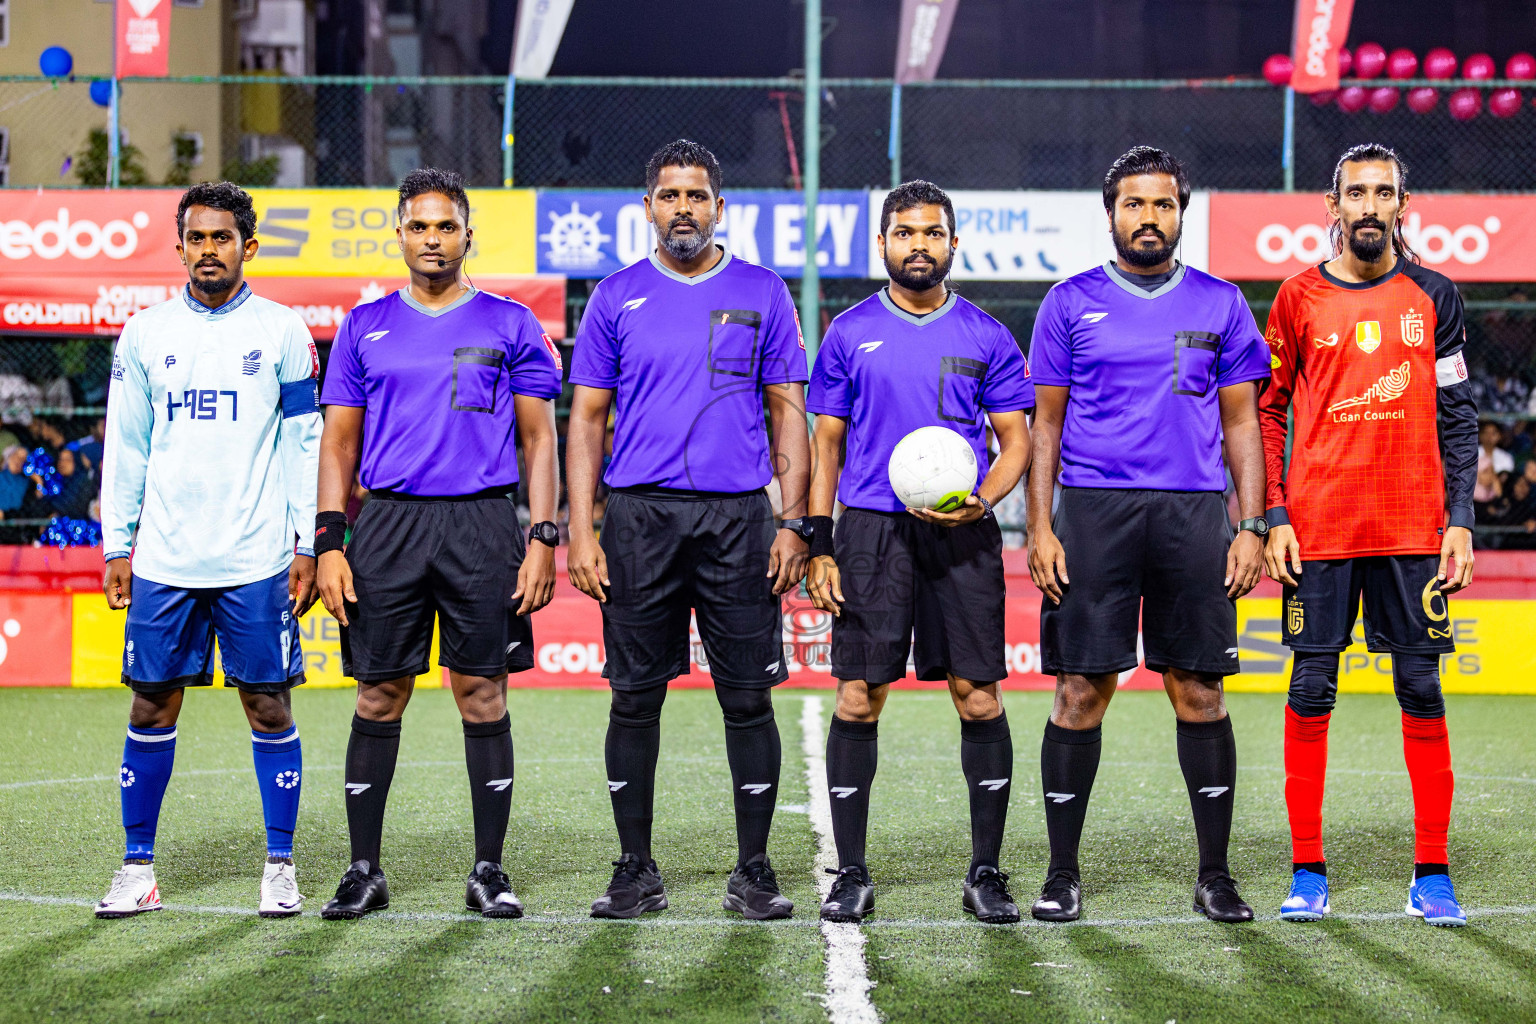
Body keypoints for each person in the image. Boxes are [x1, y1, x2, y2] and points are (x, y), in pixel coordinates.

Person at [565, 140, 811, 921]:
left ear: (719, 207)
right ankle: (635, 869)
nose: (683, 209)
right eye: (669, 195)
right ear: (648, 207)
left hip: (739, 518)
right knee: (634, 699)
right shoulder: (614, 298)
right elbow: (586, 422)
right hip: (638, 517)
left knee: (747, 697)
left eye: (696, 196)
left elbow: (790, 414)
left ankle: (755, 870)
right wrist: (582, 528)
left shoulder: (764, 291)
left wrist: (795, 520)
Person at [1026, 146, 1271, 924]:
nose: (1148, 218)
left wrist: (1252, 524)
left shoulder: (1222, 302)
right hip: (1093, 512)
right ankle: (1063, 874)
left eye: (1162, 205)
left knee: (1199, 691)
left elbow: (1242, 423)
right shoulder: (1069, 304)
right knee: (1078, 690)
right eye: (1134, 204)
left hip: (1194, 513)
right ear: (1111, 215)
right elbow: (1045, 429)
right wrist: (1039, 525)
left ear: (1180, 214)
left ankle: (1216, 875)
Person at [314, 168, 562, 920]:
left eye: (445, 226)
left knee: (481, 694)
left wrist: (544, 534)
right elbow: (338, 444)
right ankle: (364, 870)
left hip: (482, 524)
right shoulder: (365, 325)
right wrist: (329, 539)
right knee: (378, 693)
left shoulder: (510, 322)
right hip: (387, 525)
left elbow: (538, 438)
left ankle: (488, 870)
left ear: (467, 235)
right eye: (418, 226)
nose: (432, 239)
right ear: (400, 233)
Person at [1261, 143, 1479, 927]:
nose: (1369, 206)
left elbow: (1457, 415)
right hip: (1318, 532)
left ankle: (1433, 873)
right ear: (1332, 205)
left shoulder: (1435, 297)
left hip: (1414, 530)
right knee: (1311, 689)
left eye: (1383, 193)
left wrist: (1460, 520)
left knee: (1420, 689)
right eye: (1356, 192)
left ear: (1401, 206)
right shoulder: (1296, 299)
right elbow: (1268, 409)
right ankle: (1308, 869)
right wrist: (1275, 514)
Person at [805, 180, 1035, 924]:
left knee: (977, 695)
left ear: (953, 244)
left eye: (932, 234)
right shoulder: (848, 332)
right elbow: (827, 443)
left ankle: (986, 872)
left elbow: (1017, 440)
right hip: (870, 532)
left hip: (960, 533)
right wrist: (819, 541)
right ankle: (851, 873)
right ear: (882, 245)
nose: (918, 245)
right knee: (857, 695)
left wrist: (987, 499)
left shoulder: (986, 334)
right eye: (904, 233)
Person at [95, 181, 321, 918]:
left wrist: (306, 543)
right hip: (163, 559)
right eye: (196, 238)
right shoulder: (145, 333)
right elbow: (126, 445)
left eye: (222, 238)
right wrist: (117, 544)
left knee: (267, 704)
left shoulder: (284, 331)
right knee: (152, 706)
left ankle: (280, 865)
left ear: (248, 246)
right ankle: (137, 869)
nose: (207, 251)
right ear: (181, 244)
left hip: (255, 559)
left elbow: (302, 442)